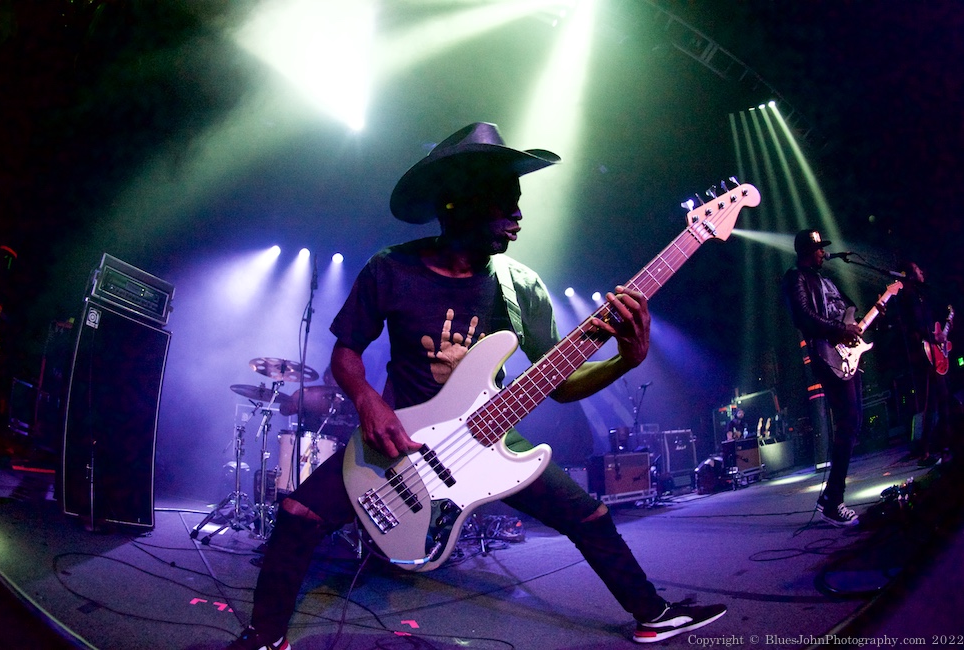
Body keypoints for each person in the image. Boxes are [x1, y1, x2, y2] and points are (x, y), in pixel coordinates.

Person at [228, 123, 726, 649]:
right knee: (298, 515)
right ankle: (265, 637)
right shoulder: (390, 269)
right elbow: (345, 352)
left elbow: (560, 383)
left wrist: (625, 360)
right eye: (502, 204)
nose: (517, 217)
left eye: (517, 203)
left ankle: (653, 613)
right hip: (398, 444)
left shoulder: (521, 286)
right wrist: (369, 401)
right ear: (456, 205)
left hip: (491, 441)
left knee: (591, 516)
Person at [781, 229, 863, 528]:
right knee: (848, 422)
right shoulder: (795, 277)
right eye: (818, 249)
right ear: (806, 251)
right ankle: (832, 501)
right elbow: (802, 316)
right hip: (827, 357)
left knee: (853, 422)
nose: (822, 253)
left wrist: (856, 324)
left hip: (845, 356)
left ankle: (830, 497)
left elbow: (847, 310)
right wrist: (840, 331)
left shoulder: (827, 281)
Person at [896, 260, 951, 466]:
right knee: (933, 402)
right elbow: (915, 327)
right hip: (922, 354)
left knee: (939, 401)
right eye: (919, 270)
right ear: (911, 275)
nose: (923, 273)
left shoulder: (922, 295)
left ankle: (939, 448)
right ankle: (929, 451)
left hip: (932, 352)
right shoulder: (908, 297)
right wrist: (934, 339)